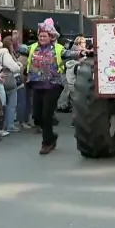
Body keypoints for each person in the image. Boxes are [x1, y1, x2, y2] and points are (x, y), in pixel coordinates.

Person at [20, 18, 83, 154]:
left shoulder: (58, 48)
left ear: (51, 37)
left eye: (44, 36)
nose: (42, 38)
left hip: (53, 85)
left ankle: (47, 143)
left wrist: (81, 53)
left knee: (46, 114)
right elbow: (20, 48)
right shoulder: (32, 48)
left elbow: (69, 54)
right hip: (37, 85)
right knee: (37, 116)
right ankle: (51, 136)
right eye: (40, 36)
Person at [0, 36, 21, 133]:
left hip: (2, 78)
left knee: (3, 103)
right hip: (9, 79)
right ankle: (9, 125)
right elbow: (14, 68)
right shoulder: (6, 54)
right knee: (11, 104)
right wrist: (19, 65)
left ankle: (2, 124)